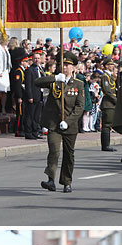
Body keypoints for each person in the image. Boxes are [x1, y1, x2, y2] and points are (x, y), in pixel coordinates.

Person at [41, 53, 85, 193]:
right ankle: (51, 180)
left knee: (69, 154)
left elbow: (79, 107)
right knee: (54, 151)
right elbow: (37, 82)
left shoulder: (79, 84)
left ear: (73, 67)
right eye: (63, 65)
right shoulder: (55, 81)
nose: (65, 67)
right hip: (54, 123)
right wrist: (55, 77)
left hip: (70, 125)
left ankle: (66, 181)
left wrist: (68, 121)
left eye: (67, 65)